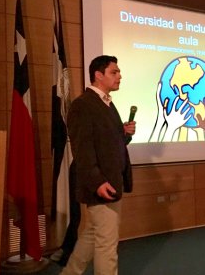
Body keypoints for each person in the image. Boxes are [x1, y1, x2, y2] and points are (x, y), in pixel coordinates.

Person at [60, 55, 136, 275]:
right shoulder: (83, 105)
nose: (119, 76)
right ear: (98, 75)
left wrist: (124, 134)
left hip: (111, 181)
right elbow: (82, 150)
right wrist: (98, 182)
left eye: (119, 72)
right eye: (114, 72)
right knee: (107, 245)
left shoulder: (107, 103)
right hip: (101, 184)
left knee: (93, 234)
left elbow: (108, 144)